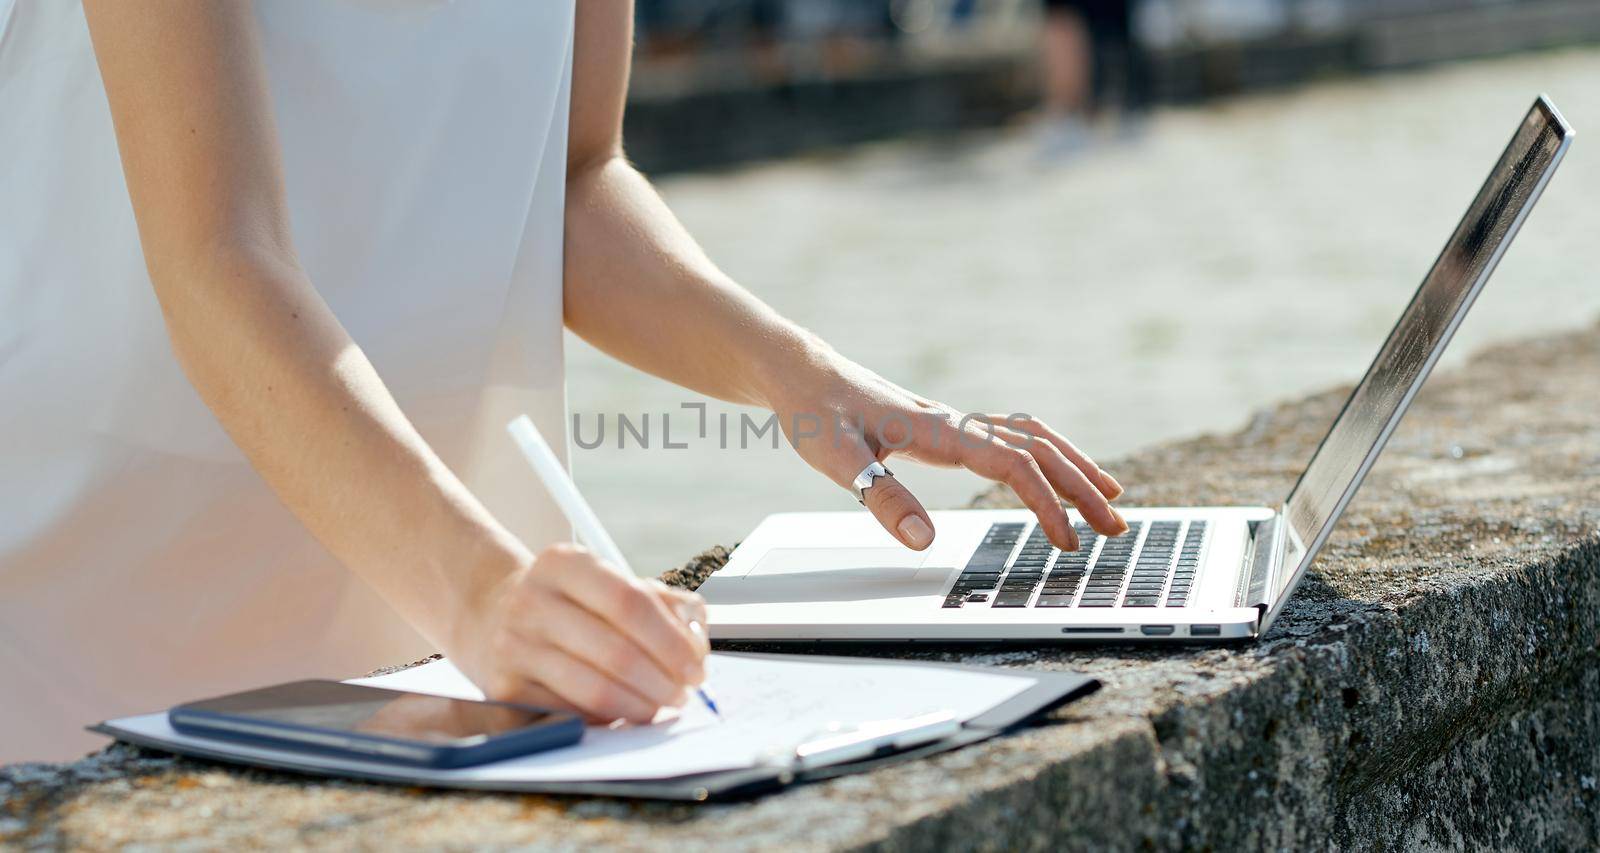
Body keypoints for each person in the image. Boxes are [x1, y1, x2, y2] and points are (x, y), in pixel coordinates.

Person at [0, 1, 1127, 763]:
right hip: (106, 578)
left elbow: (577, 182)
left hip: (433, 585)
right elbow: (215, 256)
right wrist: (476, 586)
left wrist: (810, 378)